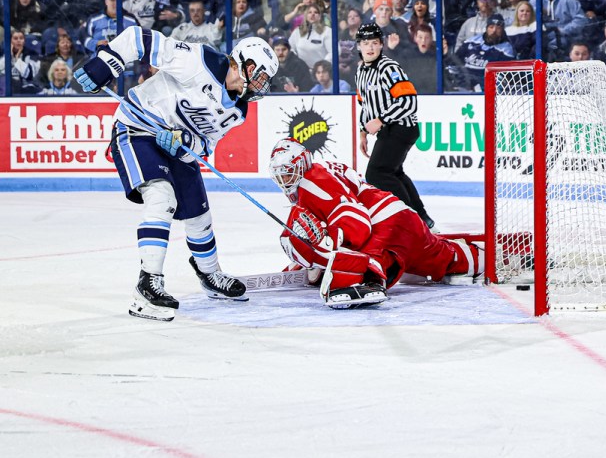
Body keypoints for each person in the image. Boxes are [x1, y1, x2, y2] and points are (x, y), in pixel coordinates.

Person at [74, 30, 279, 321]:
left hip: (173, 148)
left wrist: (185, 142)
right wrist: (106, 63)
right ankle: (148, 285)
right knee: (161, 197)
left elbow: (205, 144)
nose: (262, 86)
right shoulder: (199, 61)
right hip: (137, 129)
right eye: (260, 76)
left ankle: (210, 275)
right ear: (244, 64)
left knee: (199, 214)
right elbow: (138, 39)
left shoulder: (238, 110)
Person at [267, 138, 484, 308]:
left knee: (361, 265)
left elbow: (357, 223)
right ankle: (486, 257)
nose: (285, 181)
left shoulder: (313, 182)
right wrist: (304, 262)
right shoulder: (321, 172)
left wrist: (325, 247)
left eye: (288, 173)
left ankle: (366, 282)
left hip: (386, 225)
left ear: (302, 163)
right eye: (280, 176)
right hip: (399, 218)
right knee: (444, 258)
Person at [354, 23, 436, 230]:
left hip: (402, 127)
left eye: (374, 43)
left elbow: (409, 101)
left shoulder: (389, 68)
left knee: (376, 173)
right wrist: (363, 131)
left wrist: (381, 120)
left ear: (381, 44)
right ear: (359, 46)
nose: (370, 47)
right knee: (394, 172)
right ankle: (423, 219)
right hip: (390, 129)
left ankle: (411, 222)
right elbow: (364, 104)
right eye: (365, 43)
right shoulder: (360, 71)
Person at [452, 14, 516, 91]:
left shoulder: (506, 49)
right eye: (491, 27)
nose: (494, 31)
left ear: (502, 30)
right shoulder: (471, 42)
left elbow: (504, 76)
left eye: (498, 28)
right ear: (486, 28)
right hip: (464, 83)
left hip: (486, 88)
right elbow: (454, 61)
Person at [289, 3, 333, 69]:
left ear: (320, 16)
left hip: (322, 72)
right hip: (302, 70)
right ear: (306, 15)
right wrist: (297, 62)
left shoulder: (327, 31)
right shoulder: (297, 31)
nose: (312, 14)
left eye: (316, 12)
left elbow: (334, 52)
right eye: (309, 12)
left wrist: (321, 67)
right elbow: (290, 48)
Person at [0, 29, 41, 95]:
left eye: (21, 38)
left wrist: (17, 59)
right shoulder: (2, 53)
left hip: (25, 90)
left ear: (24, 41)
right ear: (10, 41)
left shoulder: (31, 54)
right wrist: (9, 55)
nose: (18, 41)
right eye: (15, 38)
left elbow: (30, 75)